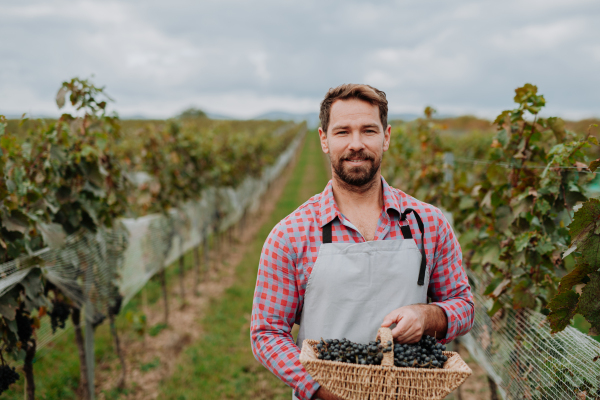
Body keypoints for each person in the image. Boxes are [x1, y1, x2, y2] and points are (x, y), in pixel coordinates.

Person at [250, 84, 474, 400]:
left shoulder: (429, 224)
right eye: (343, 132)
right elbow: (267, 333)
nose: (356, 144)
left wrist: (427, 317)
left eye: (368, 130)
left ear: (386, 137)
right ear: (324, 140)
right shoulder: (290, 235)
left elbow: (462, 304)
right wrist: (323, 390)